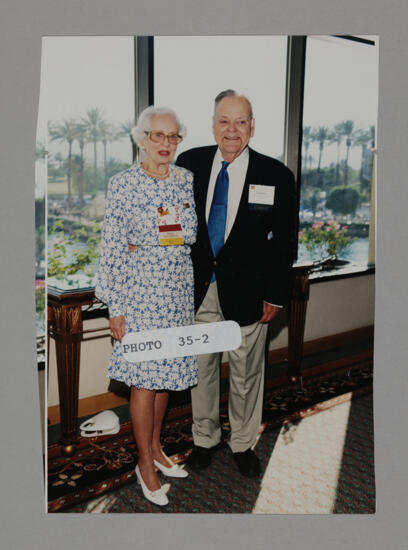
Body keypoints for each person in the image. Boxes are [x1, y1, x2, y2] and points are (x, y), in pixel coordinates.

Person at [176, 90, 296, 478]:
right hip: (198, 289)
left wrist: (275, 294)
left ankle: (243, 443)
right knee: (202, 370)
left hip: (249, 293)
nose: (232, 130)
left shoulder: (275, 175)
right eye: (224, 121)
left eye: (240, 121)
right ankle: (204, 439)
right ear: (213, 125)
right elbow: (172, 223)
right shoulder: (188, 164)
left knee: (247, 373)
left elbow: (285, 242)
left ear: (252, 127)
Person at [95, 106, 198, 506]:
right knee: (144, 379)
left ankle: (155, 448)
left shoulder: (185, 180)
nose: (166, 144)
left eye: (173, 137)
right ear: (142, 139)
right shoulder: (124, 184)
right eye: (158, 136)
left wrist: (155, 241)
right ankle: (144, 464)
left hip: (176, 291)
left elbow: (184, 235)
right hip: (139, 293)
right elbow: (113, 248)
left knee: (167, 375)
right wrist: (115, 306)